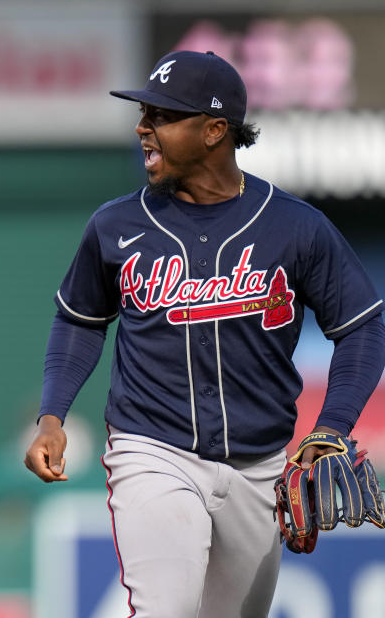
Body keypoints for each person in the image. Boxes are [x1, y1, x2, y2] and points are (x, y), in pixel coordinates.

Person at [24, 50, 385, 617]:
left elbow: (362, 329)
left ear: (216, 130)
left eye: (163, 116)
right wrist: (52, 416)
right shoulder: (115, 225)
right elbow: (79, 321)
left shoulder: (294, 225)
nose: (144, 127)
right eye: (145, 113)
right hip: (152, 449)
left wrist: (331, 428)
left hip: (261, 464)